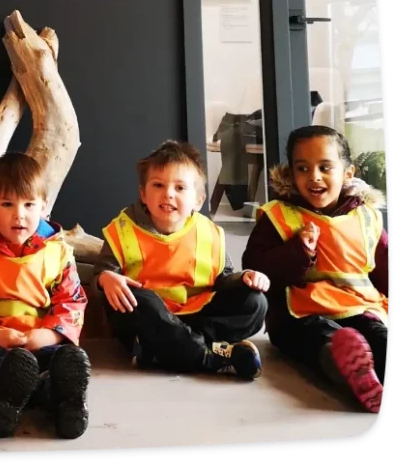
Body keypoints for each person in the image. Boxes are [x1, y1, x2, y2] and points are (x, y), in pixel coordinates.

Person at [242, 125, 389, 414]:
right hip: (300, 317)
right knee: (325, 341)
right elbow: (255, 267)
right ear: (290, 173)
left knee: (380, 337)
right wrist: (299, 251)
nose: (314, 177)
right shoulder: (280, 216)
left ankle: (376, 371)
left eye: (325, 167)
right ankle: (356, 378)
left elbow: (385, 268)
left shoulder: (367, 218)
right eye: (303, 168)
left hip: (360, 311)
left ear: (347, 172)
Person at [96, 140, 269, 379]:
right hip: (149, 317)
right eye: (158, 185)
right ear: (143, 194)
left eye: (179, 188)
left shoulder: (207, 232)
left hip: (196, 313)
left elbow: (223, 279)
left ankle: (164, 350)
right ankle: (208, 358)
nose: (167, 193)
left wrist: (245, 278)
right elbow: (102, 273)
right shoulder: (122, 229)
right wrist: (107, 278)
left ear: (198, 200)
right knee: (139, 300)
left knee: (255, 302)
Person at [0, 152, 91, 442]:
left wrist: (50, 335)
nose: (20, 214)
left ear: (43, 205)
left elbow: (71, 302)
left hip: (42, 340)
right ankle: (5, 407)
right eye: (7, 204)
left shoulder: (58, 253)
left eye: (29, 204)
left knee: (64, 360)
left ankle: (66, 404)